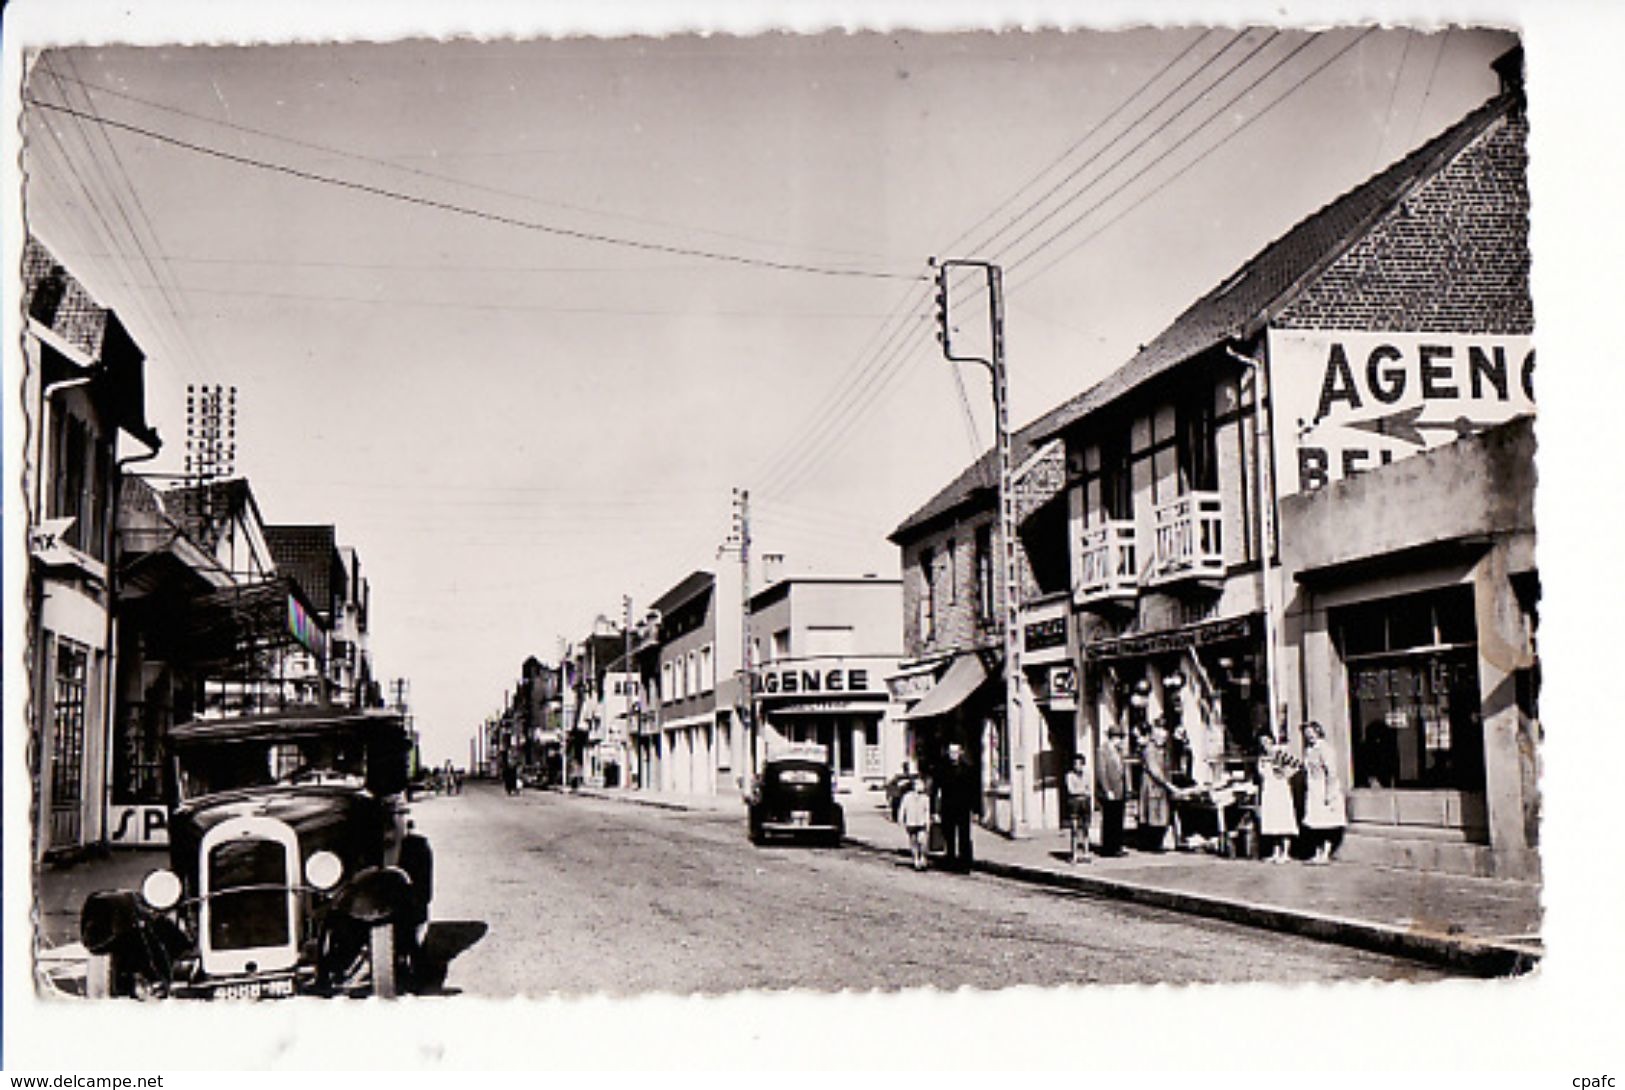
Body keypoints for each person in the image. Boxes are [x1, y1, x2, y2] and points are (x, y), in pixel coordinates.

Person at [1300, 721, 1346, 864]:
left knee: (1326, 822)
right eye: (1307, 733)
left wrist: (1329, 793)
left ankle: (1326, 852)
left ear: (1318, 731)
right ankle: (1317, 852)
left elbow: (1331, 772)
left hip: (1323, 787)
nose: (1309, 736)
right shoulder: (1309, 750)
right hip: (1313, 788)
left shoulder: (1325, 749)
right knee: (1315, 823)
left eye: (1312, 732)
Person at [934, 742, 980, 873]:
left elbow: (974, 791)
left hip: (963, 807)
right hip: (948, 807)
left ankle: (965, 863)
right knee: (949, 835)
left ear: (960, 753)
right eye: (951, 752)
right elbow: (935, 790)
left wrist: (976, 810)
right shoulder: (942, 768)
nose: (953, 755)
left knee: (964, 836)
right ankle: (950, 861)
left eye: (955, 752)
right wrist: (934, 811)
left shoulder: (967, 769)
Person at [1137, 719, 1181, 852]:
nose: (1163, 739)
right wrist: (1168, 784)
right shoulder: (1150, 749)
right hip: (1152, 785)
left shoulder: (1162, 749)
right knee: (1153, 813)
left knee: (1160, 813)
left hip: (1160, 786)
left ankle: (1157, 842)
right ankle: (1152, 844)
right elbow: (1154, 770)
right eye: (1161, 736)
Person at [1257, 731, 1300, 863]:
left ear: (1272, 740)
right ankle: (1275, 852)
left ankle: (1285, 852)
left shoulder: (1279, 753)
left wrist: (1286, 774)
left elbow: (1297, 764)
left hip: (1280, 789)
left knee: (1283, 820)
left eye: (1267, 741)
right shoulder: (1263, 757)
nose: (1265, 745)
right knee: (1273, 822)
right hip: (1269, 790)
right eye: (1262, 742)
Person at [1096, 726, 1129, 856]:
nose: (1120, 741)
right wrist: (1106, 789)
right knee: (1110, 819)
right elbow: (1101, 771)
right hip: (1110, 789)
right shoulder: (1103, 750)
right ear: (1112, 737)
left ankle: (1117, 846)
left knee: (1118, 818)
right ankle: (1108, 848)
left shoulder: (1119, 751)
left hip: (1120, 789)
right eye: (1119, 737)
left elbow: (1123, 771)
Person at [898, 776, 933, 872]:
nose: (921, 787)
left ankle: (923, 857)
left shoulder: (925, 798)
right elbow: (902, 808)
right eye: (918, 784)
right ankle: (916, 860)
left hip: (921, 823)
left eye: (922, 785)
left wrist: (928, 823)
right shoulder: (907, 797)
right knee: (913, 842)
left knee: (923, 842)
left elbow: (927, 811)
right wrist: (901, 819)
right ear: (914, 786)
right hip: (911, 822)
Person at [1064, 753, 1093, 863]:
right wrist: (1082, 790)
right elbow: (1071, 790)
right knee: (1074, 829)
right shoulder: (1069, 776)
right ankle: (1074, 854)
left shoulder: (1087, 775)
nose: (1077, 766)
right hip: (1074, 803)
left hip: (1085, 803)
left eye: (1080, 764)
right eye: (1075, 764)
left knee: (1086, 828)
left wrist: (1082, 791)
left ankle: (1086, 853)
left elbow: (1089, 789)